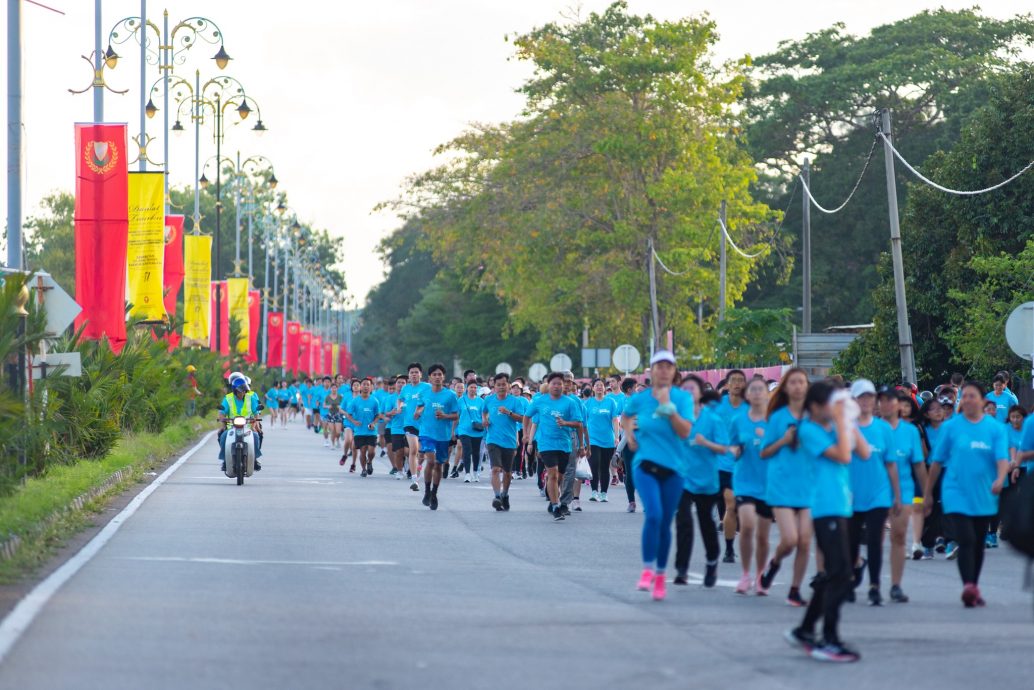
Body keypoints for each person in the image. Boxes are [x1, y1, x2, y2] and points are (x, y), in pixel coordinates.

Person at [785, 380, 868, 663]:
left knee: (837, 573)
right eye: (831, 404)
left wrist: (848, 420)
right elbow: (845, 455)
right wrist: (841, 422)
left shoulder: (832, 427)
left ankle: (806, 629)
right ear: (816, 406)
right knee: (841, 574)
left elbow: (864, 452)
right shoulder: (808, 430)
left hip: (840, 506)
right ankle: (828, 639)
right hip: (824, 507)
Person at [924, 381, 1009, 607]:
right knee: (967, 538)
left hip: (984, 493)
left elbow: (1002, 459)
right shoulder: (951, 428)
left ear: (983, 401)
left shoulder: (995, 429)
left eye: (973, 396)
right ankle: (967, 586)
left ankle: (973, 584)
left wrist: (1001, 479)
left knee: (978, 540)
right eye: (965, 396)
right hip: (955, 492)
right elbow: (936, 462)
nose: (968, 400)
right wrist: (928, 493)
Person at [621, 350, 693, 601]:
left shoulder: (683, 398)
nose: (663, 371)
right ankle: (647, 568)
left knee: (664, 522)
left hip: (674, 469)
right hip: (645, 465)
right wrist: (630, 436)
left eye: (668, 367)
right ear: (650, 371)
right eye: (658, 366)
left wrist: (668, 408)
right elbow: (625, 417)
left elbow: (685, 433)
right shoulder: (640, 399)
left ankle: (661, 575)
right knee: (653, 515)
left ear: (674, 372)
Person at [760, 368, 813, 607]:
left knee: (804, 541)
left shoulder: (815, 416)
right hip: (781, 485)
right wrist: (784, 440)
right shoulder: (778, 417)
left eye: (802, 382)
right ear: (785, 387)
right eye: (793, 382)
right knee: (790, 539)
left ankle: (794, 589)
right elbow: (764, 451)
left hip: (808, 486)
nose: (798, 387)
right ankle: (774, 564)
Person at [846, 380, 900, 606]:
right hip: (851, 495)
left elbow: (890, 464)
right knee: (850, 543)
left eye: (870, 397)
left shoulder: (883, 429)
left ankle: (874, 587)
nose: (866, 401)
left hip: (878, 494)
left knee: (875, 542)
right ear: (854, 400)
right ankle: (849, 579)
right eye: (862, 397)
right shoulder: (846, 427)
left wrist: (896, 495)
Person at [880, 387, 927, 603]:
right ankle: (870, 580)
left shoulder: (910, 432)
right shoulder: (873, 428)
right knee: (873, 539)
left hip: (905, 490)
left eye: (892, 401)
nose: (888, 405)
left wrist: (926, 494)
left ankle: (895, 585)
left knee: (898, 535)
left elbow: (918, 465)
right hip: (875, 491)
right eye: (884, 401)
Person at [673, 382, 723, 588]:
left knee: (706, 523)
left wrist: (706, 443)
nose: (688, 392)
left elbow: (723, 448)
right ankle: (682, 569)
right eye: (684, 389)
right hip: (682, 478)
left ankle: (712, 561)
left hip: (706, 479)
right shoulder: (675, 418)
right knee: (683, 521)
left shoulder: (712, 419)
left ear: (701, 394)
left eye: (692, 388)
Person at [731, 377, 774, 595]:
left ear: (767, 394)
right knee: (747, 525)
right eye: (753, 390)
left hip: (767, 484)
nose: (757, 393)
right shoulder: (739, 420)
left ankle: (760, 575)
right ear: (747, 395)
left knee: (763, 536)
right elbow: (731, 446)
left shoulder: (773, 421)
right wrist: (735, 451)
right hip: (744, 481)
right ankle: (746, 573)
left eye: (761, 389)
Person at [523, 372, 584, 521]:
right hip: (546, 443)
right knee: (553, 474)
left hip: (564, 444)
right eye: (554, 383)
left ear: (564, 386)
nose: (556, 386)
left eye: (559, 384)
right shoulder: (539, 401)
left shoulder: (570, 402)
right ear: (548, 385)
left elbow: (579, 424)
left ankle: (553, 498)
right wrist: (526, 434)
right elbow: (527, 416)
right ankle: (556, 506)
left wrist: (567, 425)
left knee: (560, 477)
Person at [414, 363, 459, 510]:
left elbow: (456, 415)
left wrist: (445, 416)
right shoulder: (424, 393)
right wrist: (418, 412)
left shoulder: (450, 395)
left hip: (443, 435)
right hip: (426, 433)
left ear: (443, 377)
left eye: (440, 374)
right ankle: (426, 491)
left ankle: (434, 493)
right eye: (434, 374)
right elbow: (419, 407)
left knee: (439, 464)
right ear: (430, 378)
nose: (437, 377)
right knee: (431, 461)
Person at [716, 369, 748, 563]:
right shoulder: (719, 406)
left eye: (740, 380)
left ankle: (737, 542)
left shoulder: (750, 407)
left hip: (746, 466)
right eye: (733, 380)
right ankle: (729, 550)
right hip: (723, 463)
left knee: (742, 511)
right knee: (731, 503)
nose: (737, 383)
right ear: (727, 384)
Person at [483, 373, 525, 511]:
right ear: (493, 386)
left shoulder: (515, 401)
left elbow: (522, 419)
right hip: (493, 439)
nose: (501, 387)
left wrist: (509, 413)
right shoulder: (489, 400)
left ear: (508, 385)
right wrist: (485, 420)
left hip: (509, 441)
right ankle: (497, 496)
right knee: (495, 469)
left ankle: (504, 495)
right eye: (498, 385)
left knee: (507, 473)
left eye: (503, 384)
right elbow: (484, 413)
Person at [217, 372, 262, 472]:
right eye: (240, 391)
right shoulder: (228, 398)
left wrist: (255, 424)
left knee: (256, 436)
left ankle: (254, 459)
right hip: (231, 427)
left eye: (244, 391)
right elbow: (222, 412)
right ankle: (225, 460)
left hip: (248, 426)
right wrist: (222, 421)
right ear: (235, 391)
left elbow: (256, 412)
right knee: (223, 436)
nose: (242, 393)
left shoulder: (251, 398)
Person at [584, 379, 620, 502]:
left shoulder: (611, 402)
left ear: (604, 388)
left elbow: (615, 420)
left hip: (608, 440)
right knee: (594, 464)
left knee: (604, 467)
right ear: (593, 388)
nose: (599, 387)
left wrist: (616, 436)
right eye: (597, 385)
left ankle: (604, 493)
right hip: (592, 439)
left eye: (601, 385)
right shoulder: (588, 403)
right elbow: (583, 422)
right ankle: (594, 492)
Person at [399, 363, 432, 492]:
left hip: (425, 424)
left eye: (416, 372)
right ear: (408, 375)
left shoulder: (427, 387)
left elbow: (429, 401)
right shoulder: (405, 389)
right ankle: (414, 479)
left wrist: (420, 410)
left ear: (420, 374)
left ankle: (417, 468)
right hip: (409, 423)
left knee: (422, 452)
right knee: (413, 450)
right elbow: (400, 399)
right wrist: (399, 406)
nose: (414, 374)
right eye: (411, 372)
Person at [345, 377, 383, 477]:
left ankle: (369, 462)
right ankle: (363, 469)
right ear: (361, 386)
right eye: (364, 384)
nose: (366, 386)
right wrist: (354, 421)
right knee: (362, 450)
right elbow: (348, 414)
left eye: (368, 385)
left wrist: (374, 423)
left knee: (371, 451)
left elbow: (378, 415)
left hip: (371, 431)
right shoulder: (355, 401)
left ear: (371, 387)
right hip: (359, 431)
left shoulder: (374, 401)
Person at [457, 381, 486, 483]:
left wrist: (485, 424)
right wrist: (454, 431)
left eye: (475, 387)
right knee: (467, 450)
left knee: (476, 452)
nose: (473, 389)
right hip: (464, 430)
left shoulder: (481, 401)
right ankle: (467, 473)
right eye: (471, 387)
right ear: (467, 388)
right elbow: (457, 416)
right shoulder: (461, 400)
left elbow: (484, 415)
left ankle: (475, 473)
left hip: (477, 430)